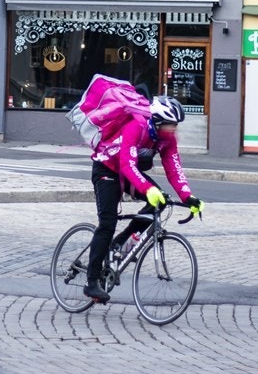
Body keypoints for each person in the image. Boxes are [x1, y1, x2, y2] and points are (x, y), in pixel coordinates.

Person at [85, 90, 202, 303]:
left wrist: (187, 196)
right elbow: (126, 164)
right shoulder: (136, 126)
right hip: (107, 169)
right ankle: (91, 282)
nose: (175, 129)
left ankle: (120, 243)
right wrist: (147, 188)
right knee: (108, 223)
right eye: (172, 125)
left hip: (128, 172)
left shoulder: (167, 139)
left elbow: (174, 169)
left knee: (161, 201)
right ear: (158, 122)